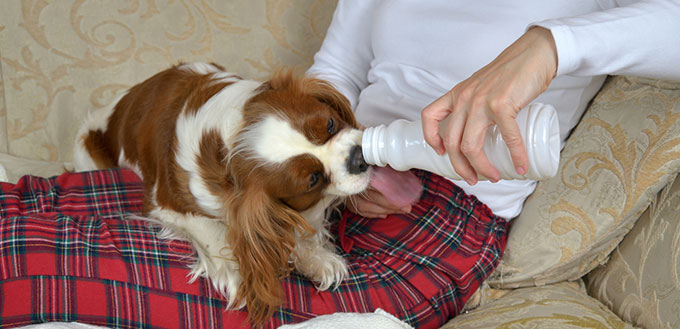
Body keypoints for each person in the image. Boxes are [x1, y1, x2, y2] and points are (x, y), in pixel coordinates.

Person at [308, 0, 680, 220]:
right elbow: (338, 68)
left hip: (445, 207)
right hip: (337, 182)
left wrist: (551, 44)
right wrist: (338, 165)